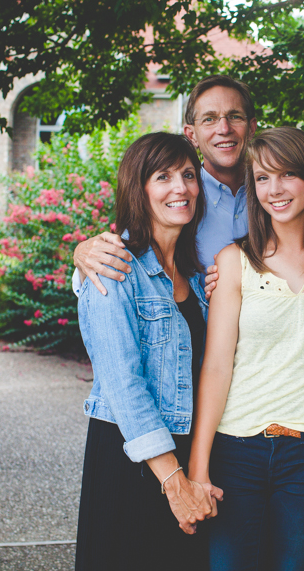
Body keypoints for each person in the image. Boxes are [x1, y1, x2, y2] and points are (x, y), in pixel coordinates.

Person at [188, 127, 304, 570]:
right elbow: (216, 367)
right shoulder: (233, 261)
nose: (274, 189)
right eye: (262, 178)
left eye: (288, 174)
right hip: (237, 450)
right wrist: (199, 467)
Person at [74, 133, 222, 571]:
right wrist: (174, 482)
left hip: (185, 453)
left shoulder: (195, 277)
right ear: (138, 189)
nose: (181, 187)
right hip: (133, 459)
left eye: (189, 175)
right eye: (163, 177)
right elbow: (122, 383)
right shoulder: (112, 265)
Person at [71, 75, 304, 295]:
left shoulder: (278, 194)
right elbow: (129, 250)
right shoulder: (179, 200)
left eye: (235, 117)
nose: (224, 129)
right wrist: (82, 257)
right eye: (210, 119)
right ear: (191, 135)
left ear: (252, 127)